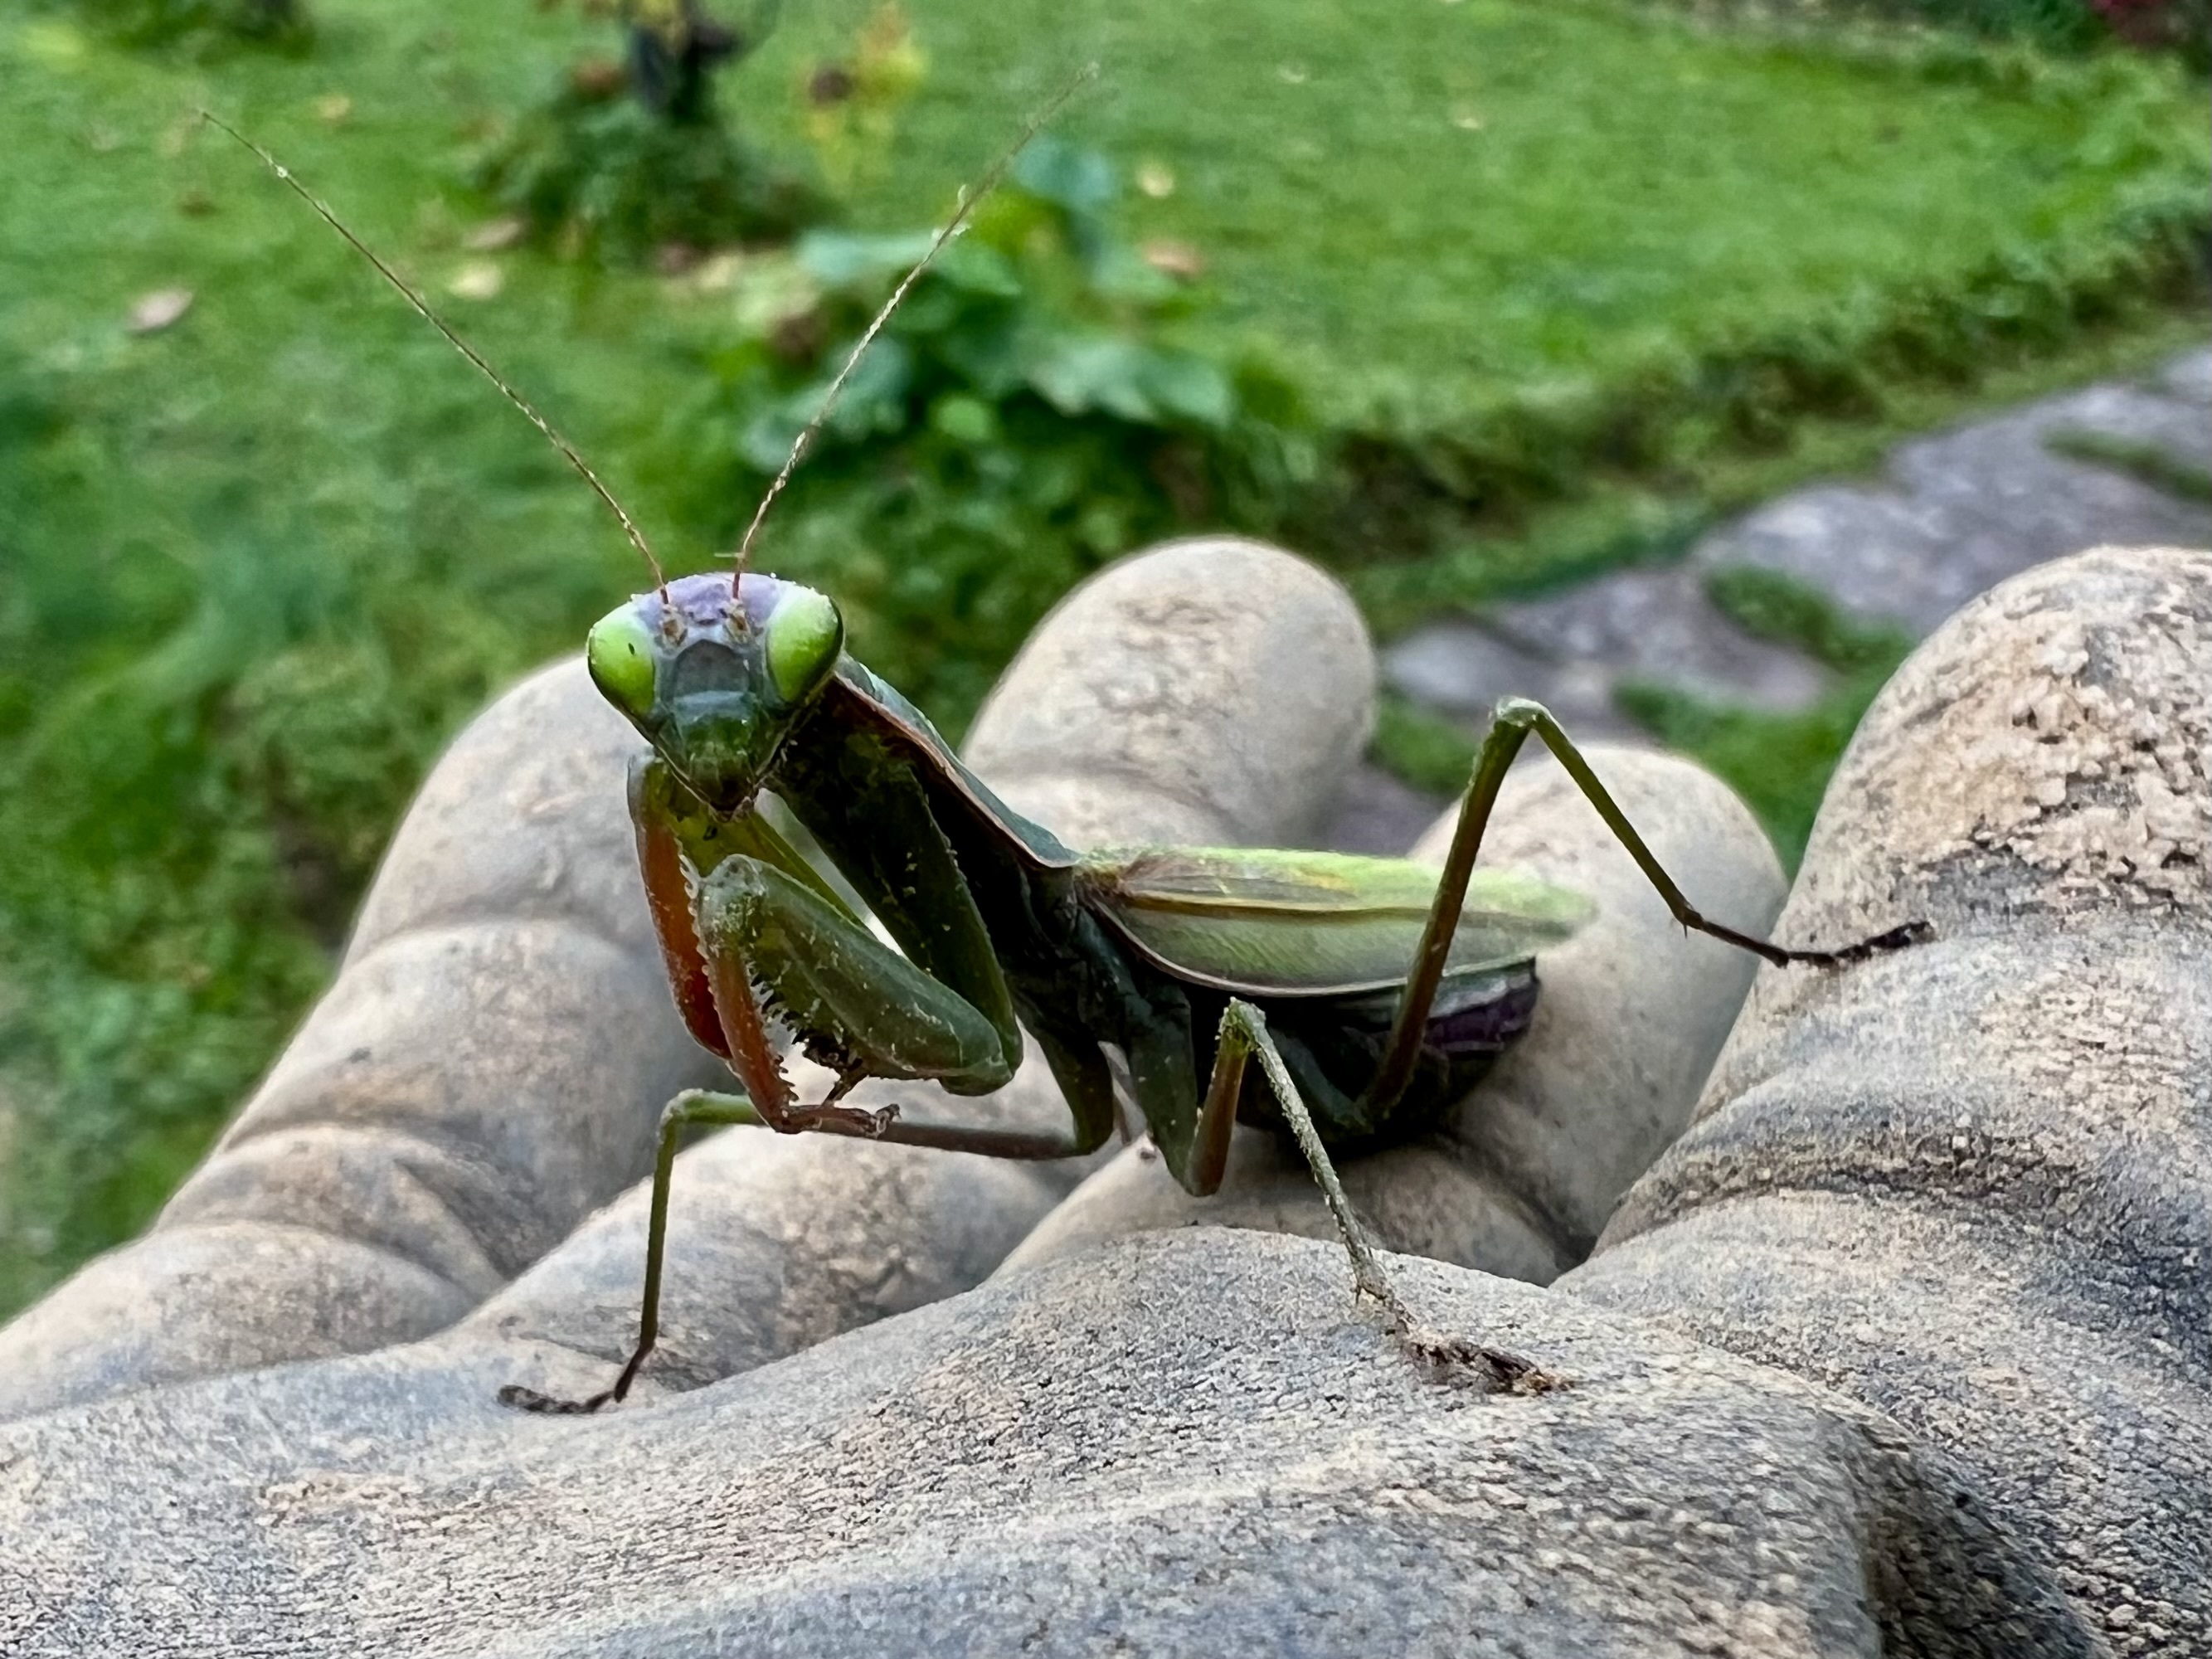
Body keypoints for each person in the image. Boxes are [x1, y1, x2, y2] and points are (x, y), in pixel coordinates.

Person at [2, 539, 2201, 1657]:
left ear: (832, 694)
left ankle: (1745, 966)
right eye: (654, 714)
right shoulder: (774, 813)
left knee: (1502, 751)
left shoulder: (1039, 887)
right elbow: (934, 1059)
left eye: (753, 711)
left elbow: (1057, 1056)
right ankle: (634, 1352)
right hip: (1205, 1029)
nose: (702, 747)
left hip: (1367, 1018)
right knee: (706, 1134)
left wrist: (1404, 1322)